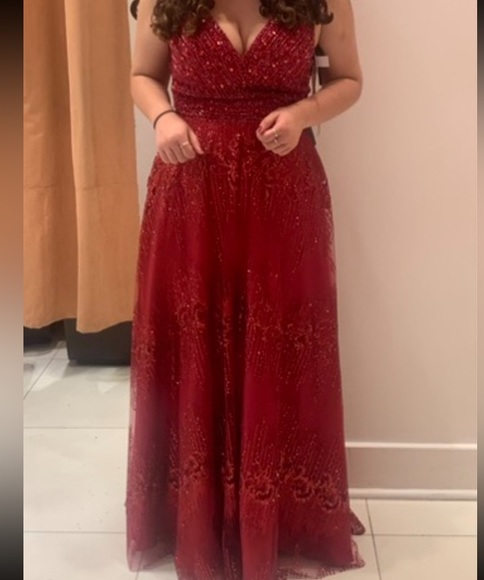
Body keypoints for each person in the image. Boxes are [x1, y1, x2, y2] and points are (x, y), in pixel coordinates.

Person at [125, 1, 365, 578]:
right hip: (191, 192)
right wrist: (163, 117)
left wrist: (304, 113)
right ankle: (193, 516)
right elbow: (142, 76)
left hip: (283, 196)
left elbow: (350, 80)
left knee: (282, 353)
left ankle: (277, 520)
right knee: (193, 350)